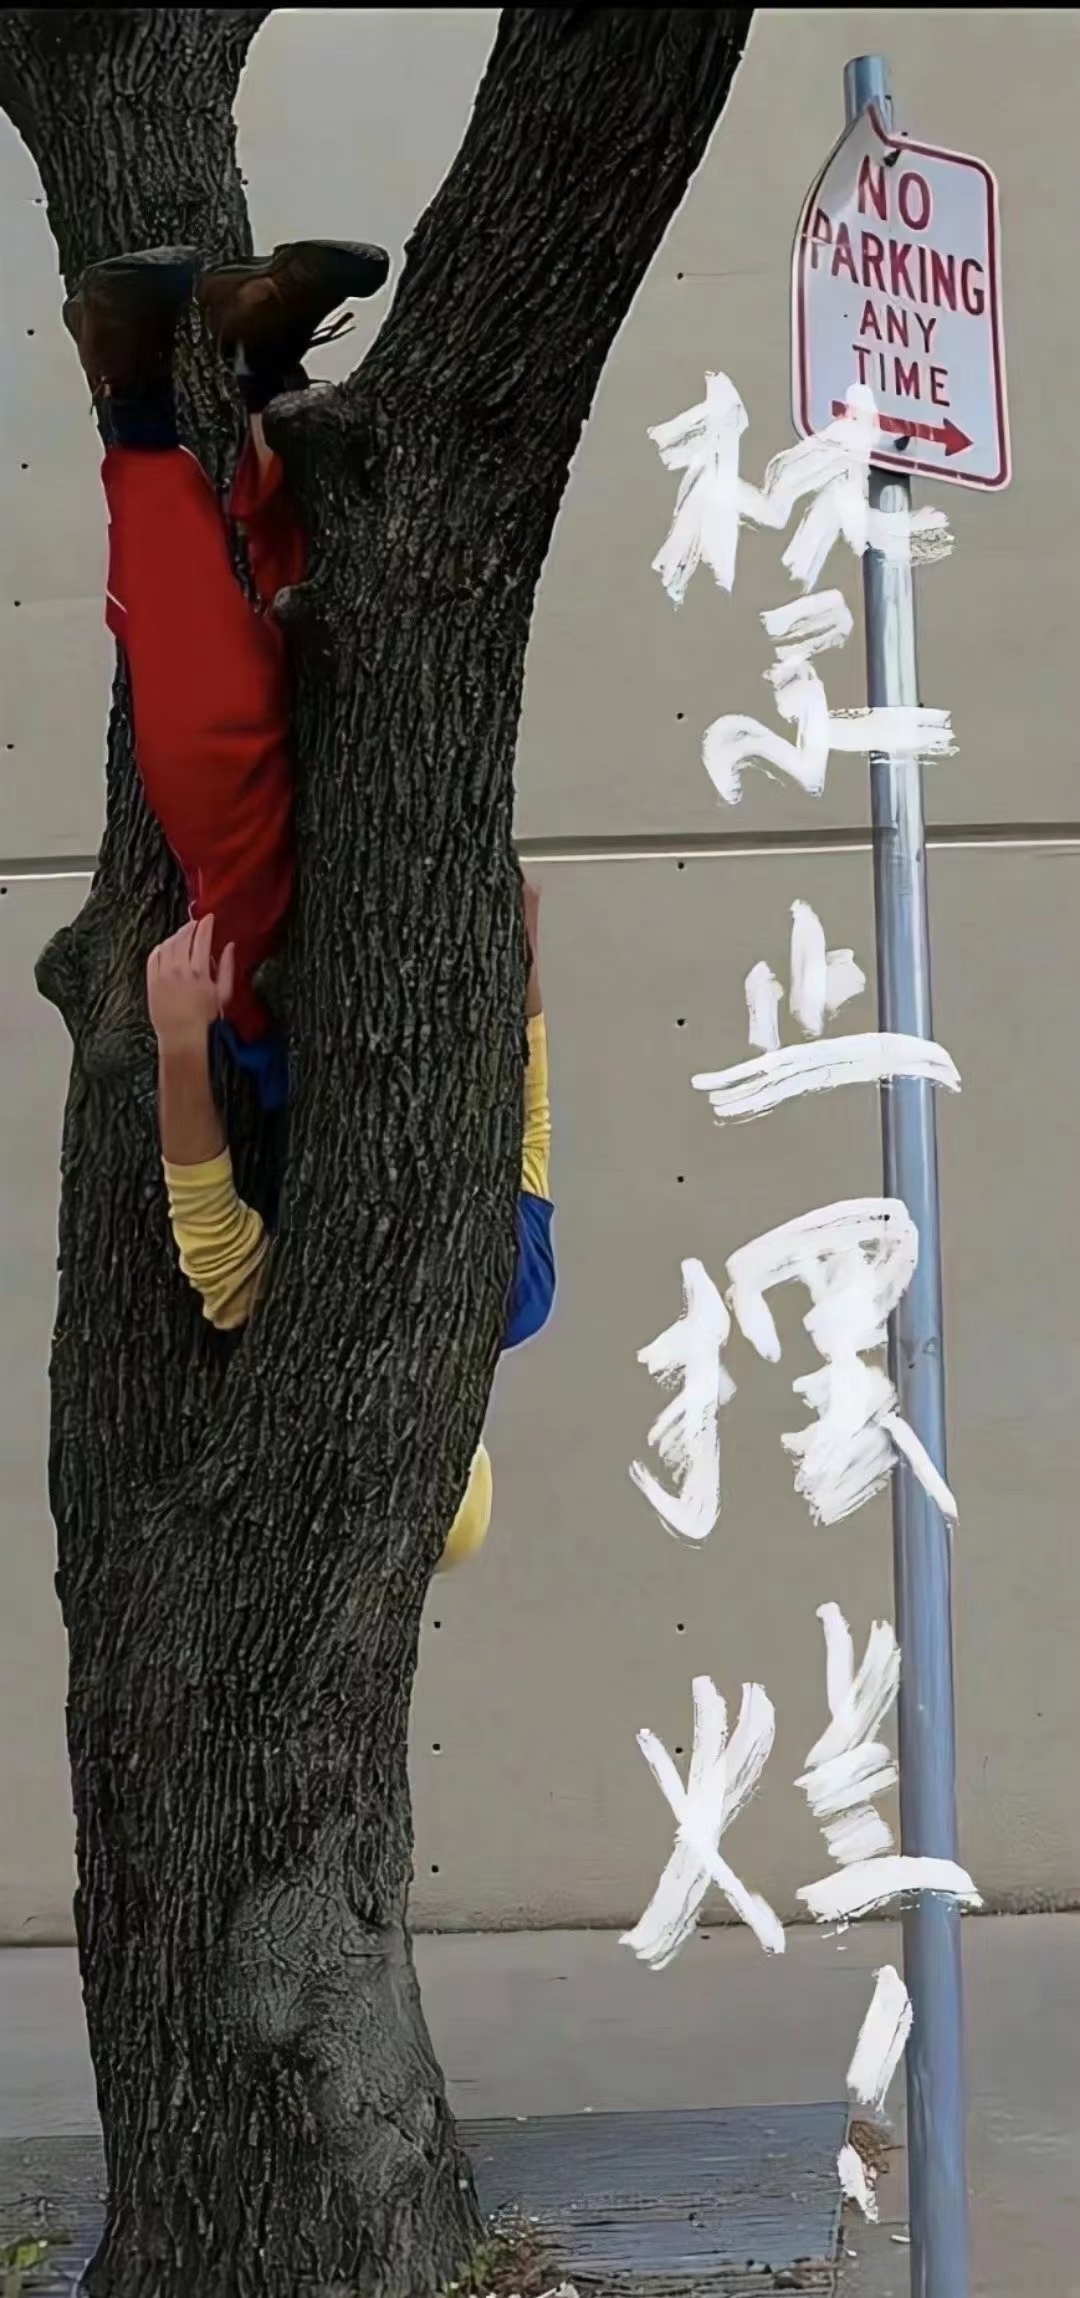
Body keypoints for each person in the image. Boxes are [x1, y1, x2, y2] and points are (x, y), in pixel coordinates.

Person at [66, 241, 556, 1573]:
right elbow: (526, 1127)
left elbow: (215, 1243)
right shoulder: (511, 1298)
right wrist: (516, 974)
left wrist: (182, 1041)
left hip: (273, 983)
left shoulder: (311, 1335)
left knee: (214, 722)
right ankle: (266, 371)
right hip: (413, 941)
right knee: (345, 660)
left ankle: (139, 404)